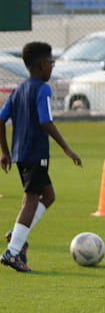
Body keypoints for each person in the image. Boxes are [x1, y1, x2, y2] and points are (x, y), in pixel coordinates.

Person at [0, 42, 83, 272]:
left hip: (20, 154)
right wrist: (67, 149)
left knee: (48, 195)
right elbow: (45, 120)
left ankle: (17, 234)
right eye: (51, 63)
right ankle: (13, 252)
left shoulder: (18, 90)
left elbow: (0, 119)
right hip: (35, 153)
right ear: (41, 65)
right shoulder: (42, 89)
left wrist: (5, 152)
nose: (52, 67)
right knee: (32, 199)